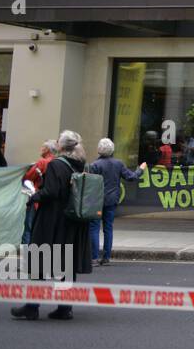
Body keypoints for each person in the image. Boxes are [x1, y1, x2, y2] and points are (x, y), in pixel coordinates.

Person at [10, 130, 92, 322]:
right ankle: (64, 308)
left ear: (62, 146)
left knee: (40, 261)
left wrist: (33, 196)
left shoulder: (57, 165)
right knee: (66, 266)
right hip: (72, 222)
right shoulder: (80, 165)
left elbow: (51, 192)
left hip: (52, 221)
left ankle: (32, 306)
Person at [88, 138, 147, 266]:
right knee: (108, 228)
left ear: (99, 150)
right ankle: (107, 257)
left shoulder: (94, 165)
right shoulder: (118, 164)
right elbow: (131, 177)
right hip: (112, 199)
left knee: (94, 228)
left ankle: (94, 257)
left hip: (97, 200)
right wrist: (141, 170)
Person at [22, 139, 57, 245]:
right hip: (51, 201)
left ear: (47, 149)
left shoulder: (42, 162)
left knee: (29, 227)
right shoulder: (57, 162)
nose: (41, 149)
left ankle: (27, 252)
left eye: (42, 147)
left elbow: (28, 177)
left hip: (37, 198)